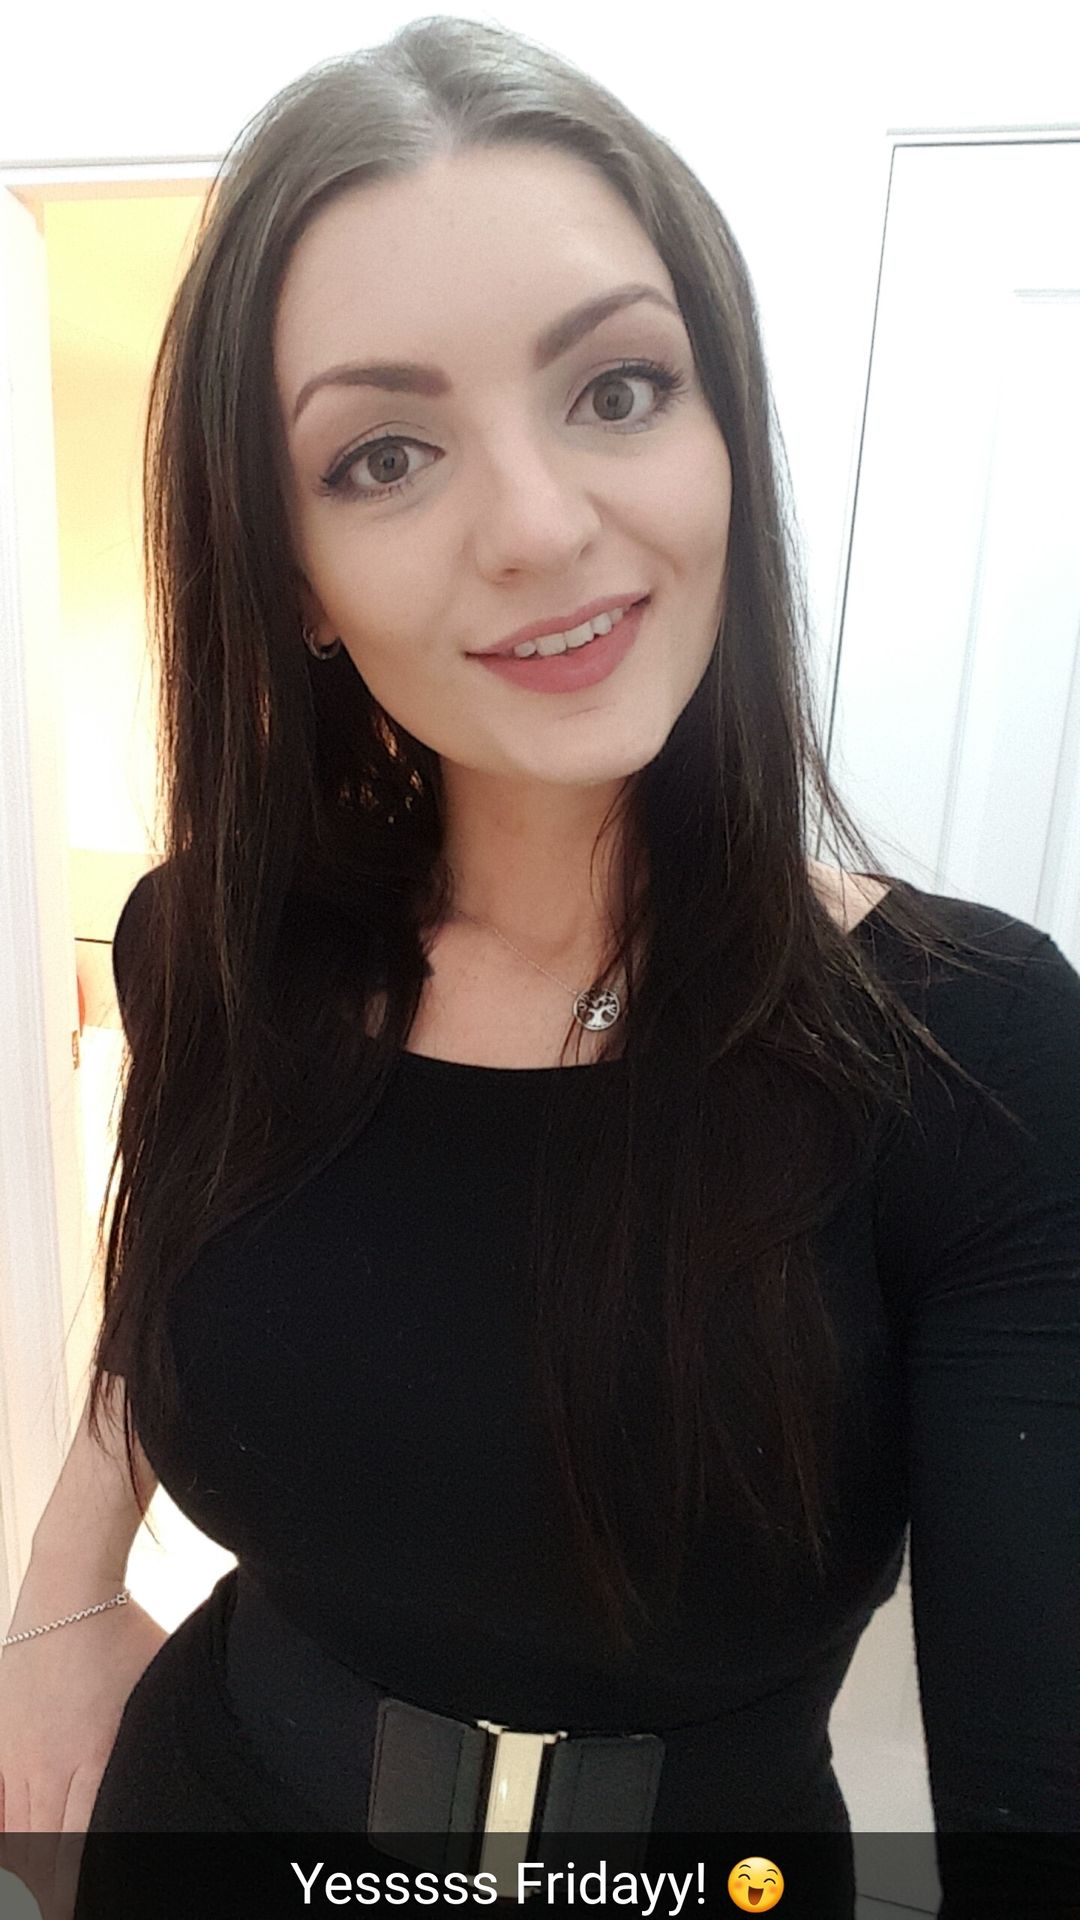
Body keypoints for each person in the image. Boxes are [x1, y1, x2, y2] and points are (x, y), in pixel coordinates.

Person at [1, 18, 1077, 1919]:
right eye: (385, 454)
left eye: (617, 389)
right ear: (291, 577)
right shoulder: (211, 947)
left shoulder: (973, 1058)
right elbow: (161, 1262)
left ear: (722, 429)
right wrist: (61, 1598)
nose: (539, 524)